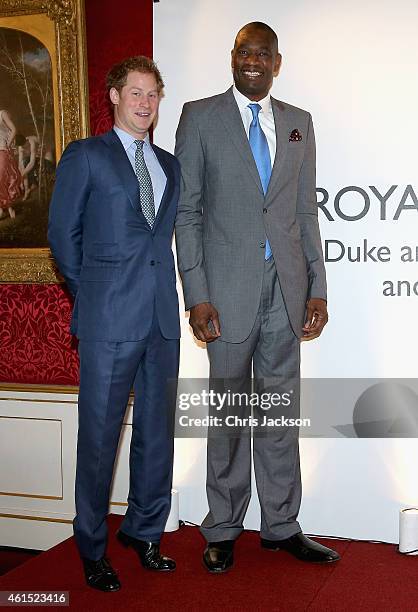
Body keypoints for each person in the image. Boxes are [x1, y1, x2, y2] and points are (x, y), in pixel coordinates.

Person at [175, 22, 339, 572]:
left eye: (262, 54)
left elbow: (304, 213)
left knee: (277, 413)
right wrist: (196, 293)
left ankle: (281, 526)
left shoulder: (298, 124)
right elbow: (188, 212)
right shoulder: (200, 117)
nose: (252, 60)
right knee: (227, 416)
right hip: (223, 294)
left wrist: (316, 285)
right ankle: (221, 526)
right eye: (244, 51)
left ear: (277, 62)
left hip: (285, 291)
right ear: (233, 57)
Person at [48, 56, 181, 592]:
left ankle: (145, 532)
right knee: (100, 440)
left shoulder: (170, 165)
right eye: (135, 93)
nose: (145, 103)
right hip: (107, 321)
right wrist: (96, 297)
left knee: (156, 435)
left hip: (161, 321)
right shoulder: (86, 156)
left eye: (153, 94)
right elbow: (62, 237)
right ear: (113, 96)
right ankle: (92, 546)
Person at [0, 109, 23, 219]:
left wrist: (8, 145)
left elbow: (14, 130)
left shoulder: (2, 113)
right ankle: (1, 207)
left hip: (3, 150)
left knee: (2, 177)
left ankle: (9, 206)